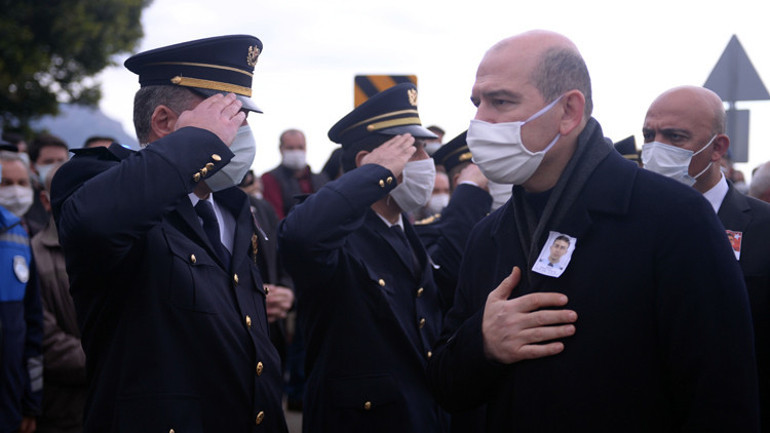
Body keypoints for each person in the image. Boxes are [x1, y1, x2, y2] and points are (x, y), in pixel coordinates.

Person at [427, 30, 759, 432]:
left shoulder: (674, 218)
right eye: (477, 103)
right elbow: (445, 386)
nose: (480, 121)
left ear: (568, 111)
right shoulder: (487, 235)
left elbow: (723, 399)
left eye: (500, 101)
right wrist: (482, 343)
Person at [50, 35, 288, 432]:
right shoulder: (93, 179)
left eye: (244, 114)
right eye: (227, 113)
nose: (241, 128)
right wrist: (198, 143)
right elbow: (95, 222)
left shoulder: (232, 207)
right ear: (163, 122)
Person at [278, 83, 449, 432]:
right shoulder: (336, 236)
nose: (426, 162)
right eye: (412, 150)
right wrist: (371, 176)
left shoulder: (404, 229)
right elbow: (299, 236)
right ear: (368, 163)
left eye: (425, 149)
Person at [642, 84, 770, 430]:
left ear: (717, 148)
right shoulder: (626, 223)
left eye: (675, 137)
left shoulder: (763, 227)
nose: (656, 148)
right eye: (649, 135)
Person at [29, 161, 86, 433]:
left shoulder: (119, 247)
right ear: (46, 200)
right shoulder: (33, 256)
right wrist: (114, 358)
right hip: (63, 412)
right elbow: (44, 340)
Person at [0, 149, 44, 433]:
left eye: (21, 183)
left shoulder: (19, 236)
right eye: (5, 183)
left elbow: (32, 327)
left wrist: (31, 402)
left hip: (10, 407)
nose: (14, 192)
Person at [261, 128, 329, 219]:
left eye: (300, 147)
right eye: (290, 148)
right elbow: (275, 217)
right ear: (281, 149)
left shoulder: (321, 179)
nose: (296, 152)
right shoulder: (269, 179)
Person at [25, 134, 69, 236]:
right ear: (33, 167)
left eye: (61, 161)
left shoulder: (77, 197)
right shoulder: (24, 201)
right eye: (49, 162)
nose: (56, 166)